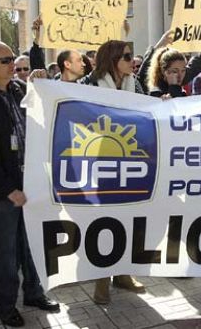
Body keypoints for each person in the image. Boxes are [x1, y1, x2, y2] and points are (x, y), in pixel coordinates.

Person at [0, 42, 59, 326]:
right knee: (6, 253)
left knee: (31, 246)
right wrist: (8, 189)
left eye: (12, 59)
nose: (11, 64)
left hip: (30, 182)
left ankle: (34, 293)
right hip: (3, 192)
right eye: (5, 60)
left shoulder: (18, 90)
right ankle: (6, 306)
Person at [79, 40, 146, 304]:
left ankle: (123, 274)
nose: (133, 61)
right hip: (99, 163)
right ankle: (101, 280)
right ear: (112, 59)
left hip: (130, 161)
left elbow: (147, 111)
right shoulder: (89, 84)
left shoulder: (135, 83)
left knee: (129, 220)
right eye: (128, 57)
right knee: (102, 223)